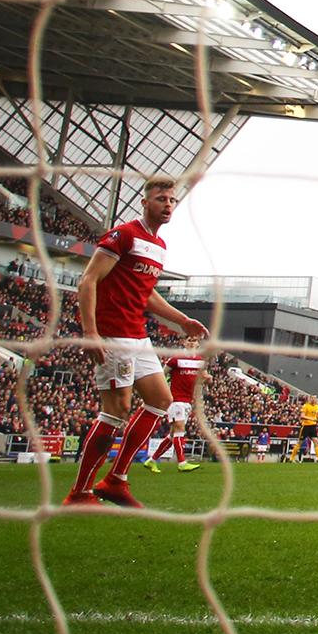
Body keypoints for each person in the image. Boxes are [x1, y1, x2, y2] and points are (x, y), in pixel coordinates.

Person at [63, 179, 210, 508]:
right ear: (144, 203)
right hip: (113, 332)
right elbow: (88, 279)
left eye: (172, 200)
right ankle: (81, 492)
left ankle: (116, 480)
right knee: (115, 410)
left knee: (161, 400)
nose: (168, 205)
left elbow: (147, 294)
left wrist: (181, 319)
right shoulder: (124, 234)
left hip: (137, 333)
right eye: (161, 199)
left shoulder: (158, 245)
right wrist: (90, 332)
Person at [146, 341, 205, 473]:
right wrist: (163, 392)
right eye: (189, 340)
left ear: (198, 344)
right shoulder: (175, 359)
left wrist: (198, 400)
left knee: (173, 436)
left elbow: (199, 383)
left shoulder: (200, 361)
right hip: (175, 400)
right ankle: (182, 462)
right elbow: (161, 375)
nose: (191, 343)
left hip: (188, 402)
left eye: (194, 340)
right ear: (184, 342)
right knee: (179, 429)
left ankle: (152, 460)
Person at [296, 395, 318, 462]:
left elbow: (316, 415)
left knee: (316, 442)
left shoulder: (316, 406)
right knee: (299, 443)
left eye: (316, 398)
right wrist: (312, 418)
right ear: (310, 399)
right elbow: (302, 416)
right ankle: (292, 457)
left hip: (313, 426)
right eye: (313, 398)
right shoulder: (306, 406)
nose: (315, 399)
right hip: (306, 426)